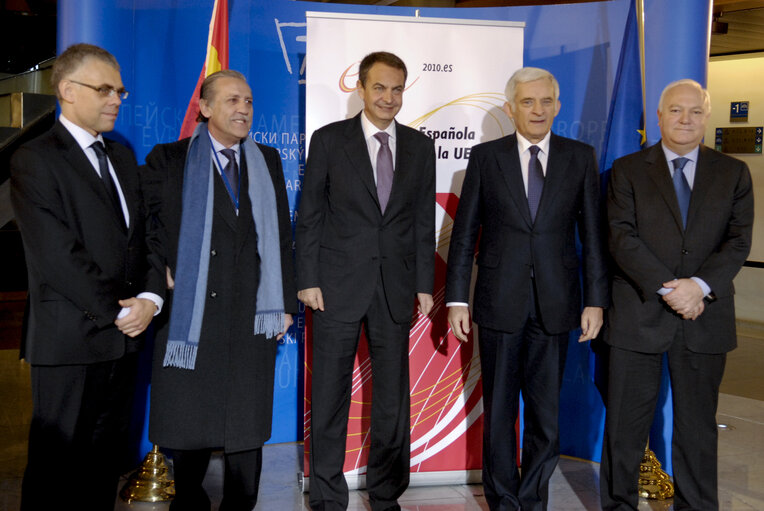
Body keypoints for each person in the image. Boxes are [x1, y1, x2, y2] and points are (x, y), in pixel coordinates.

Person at [445, 66, 608, 511]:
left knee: (545, 415)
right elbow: (465, 234)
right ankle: (503, 501)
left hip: (559, 305)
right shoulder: (485, 158)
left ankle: (533, 498)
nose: (538, 110)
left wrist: (595, 299)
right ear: (510, 108)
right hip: (498, 302)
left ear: (557, 106)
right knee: (499, 411)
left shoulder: (580, 157)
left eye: (546, 101)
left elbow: (593, 237)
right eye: (528, 102)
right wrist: (457, 297)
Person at [10, 43, 165, 510]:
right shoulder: (34, 159)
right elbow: (58, 256)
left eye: (120, 89)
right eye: (104, 89)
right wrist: (121, 310)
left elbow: (145, 239)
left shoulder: (121, 156)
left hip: (124, 339)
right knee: (56, 475)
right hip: (71, 342)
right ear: (67, 91)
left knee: (102, 470)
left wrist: (151, 298)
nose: (117, 98)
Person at [142, 69, 296, 511]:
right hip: (192, 316)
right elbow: (148, 231)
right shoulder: (168, 160)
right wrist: (161, 272)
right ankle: (188, 500)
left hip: (251, 314)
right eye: (232, 100)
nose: (243, 109)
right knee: (192, 423)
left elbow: (281, 237)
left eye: (248, 101)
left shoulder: (266, 159)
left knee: (246, 426)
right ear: (205, 108)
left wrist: (283, 304)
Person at [600, 79, 754, 510]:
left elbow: (738, 241)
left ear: (707, 117)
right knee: (626, 429)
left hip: (704, 318)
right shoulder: (627, 171)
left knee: (698, 428)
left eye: (696, 111)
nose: (686, 119)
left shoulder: (733, 172)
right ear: (660, 115)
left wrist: (700, 288)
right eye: (676, 110)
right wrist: (674, 290)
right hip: (639, 313)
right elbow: (622, 239)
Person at [296, 51, 435, 511]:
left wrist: (423, 284)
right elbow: (310, 213)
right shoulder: (330, 140)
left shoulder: (419, 146)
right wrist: (307, 278)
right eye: (380, 87)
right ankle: (328, 494)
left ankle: (385, 491)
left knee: (393, 402)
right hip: (334, 287)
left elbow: (420, 223)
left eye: (397, 88)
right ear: (360, 87)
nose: (389, 98)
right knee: (330, 396)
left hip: (395, 290)